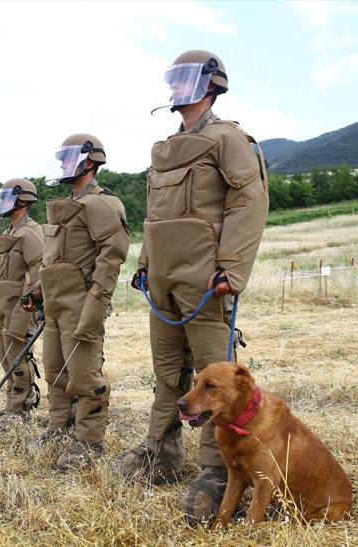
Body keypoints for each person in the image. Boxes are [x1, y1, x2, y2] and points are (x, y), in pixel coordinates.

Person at [115, 50, 269, 526]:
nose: (177, 89)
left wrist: (231, 267)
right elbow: (156, 218)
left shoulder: (229, 139)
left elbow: (250, 201)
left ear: (212, 84)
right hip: (162, 281)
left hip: (206, 280)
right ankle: (161, 451)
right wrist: (144, 263)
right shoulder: (164, 149)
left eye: (187, 79)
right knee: (167, 374)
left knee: (213, 381)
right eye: (173, 79)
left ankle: (218, 470)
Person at [24, 133, 130, 471]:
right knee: (55, 372)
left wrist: (94, 311)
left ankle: (90, 443)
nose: (61, 165)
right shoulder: (69, 206)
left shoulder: (101, 204)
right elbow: (52, 261)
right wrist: (36, 294)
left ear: (89, 162)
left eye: (69, 158)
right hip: (56, 306)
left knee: (85, 377)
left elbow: (110, 260)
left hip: (82, 306)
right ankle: (58, 429)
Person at [0, 179, 44, 429]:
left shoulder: (29, 233)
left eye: (9, 199)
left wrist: (33, 297)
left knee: (17, 359)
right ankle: (11, 406)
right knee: (6, 359)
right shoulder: (8, 234)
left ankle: (21, 409)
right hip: (0, 307)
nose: (2, 204)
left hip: (19, 307)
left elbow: (39, 269)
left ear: (23, 201)